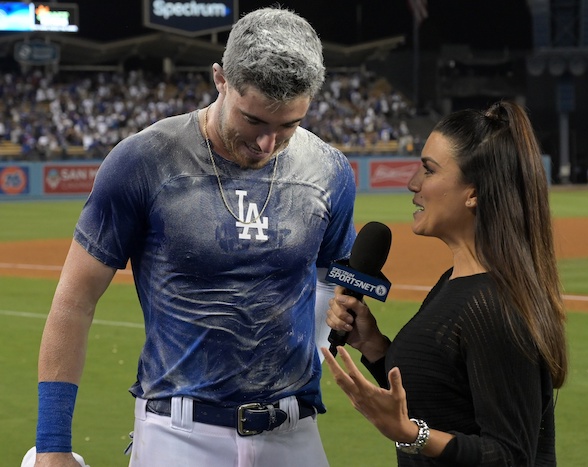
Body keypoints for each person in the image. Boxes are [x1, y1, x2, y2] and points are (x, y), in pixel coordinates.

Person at [34, 7, 357, 467]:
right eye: (254, 120)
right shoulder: (145, 160)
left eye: (288, 125)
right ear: (220, 79)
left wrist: (317, 350)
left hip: (295, 432)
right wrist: (51, 445)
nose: (269, 144)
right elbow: (74, 300)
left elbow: (333, 278)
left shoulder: (329, 170)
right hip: (178, 434)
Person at [322, 101, 568, 466]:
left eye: (429, 170)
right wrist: (373, 345)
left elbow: (511, 456)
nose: (413, 184)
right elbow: (439, 396)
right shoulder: (455, 282)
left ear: (474, 192)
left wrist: (411, 434)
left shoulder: (493, 305)